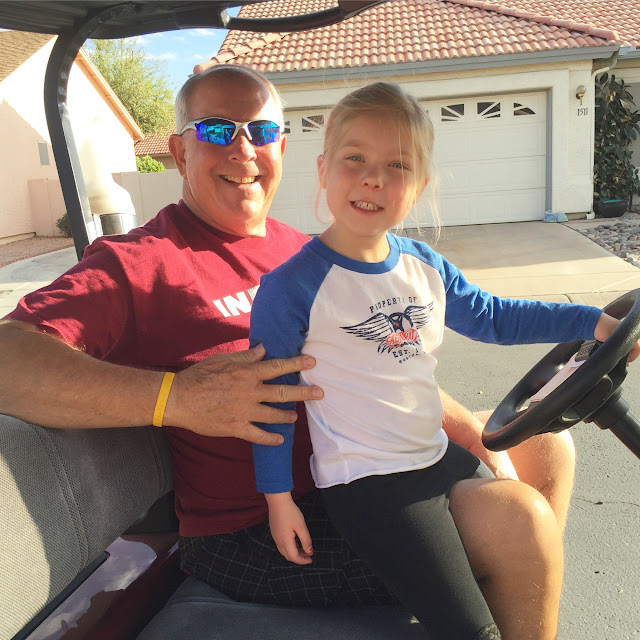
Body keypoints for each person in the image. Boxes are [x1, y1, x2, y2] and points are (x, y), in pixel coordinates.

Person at [0, 64, 594, 637]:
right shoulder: (139, 264)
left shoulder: (304, 250)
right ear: (179, 152)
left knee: (546, 446)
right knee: (518, 525)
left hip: (381, 467)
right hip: (260, 526)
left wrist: (467, 433)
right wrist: (174, 398)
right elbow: (8, 357)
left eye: (261, 131)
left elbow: (387, 358)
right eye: (216, 130)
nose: (243, 149)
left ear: (282, 148)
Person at [248, 82, 638, 640]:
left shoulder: (422, 264)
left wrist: (591, 322)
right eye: (354, 158)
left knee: (532, 507)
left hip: (434, 455)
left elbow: (495, 317)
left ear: (420, 186)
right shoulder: (291, 288)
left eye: (397, 165)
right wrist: (278, 498)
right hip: (369, 484)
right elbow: (271, 402)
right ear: (323, 169)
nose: (373, 178)